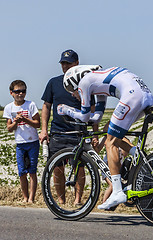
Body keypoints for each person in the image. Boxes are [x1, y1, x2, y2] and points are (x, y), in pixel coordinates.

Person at [57, 65, 153, 209]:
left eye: (71, 90)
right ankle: (135, 153)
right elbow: (97, 117)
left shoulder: (84, 83)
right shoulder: (96, 82)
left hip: (132, 95)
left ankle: (117, 191)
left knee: (110, 143)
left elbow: (84, 117)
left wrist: (67, 110)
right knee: (109, 129)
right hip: (144, 95)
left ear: (75, 82)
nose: (72, 95)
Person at [39, 50, 98, 206]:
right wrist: (44, 130)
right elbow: (46, 106)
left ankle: (78, 200)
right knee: (57, 168)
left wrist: (94, 133)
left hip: (78, 133)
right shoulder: (53, 82)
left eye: (69, 63)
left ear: (76, 63)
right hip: (58, 132)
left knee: (79, 168)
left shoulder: (86, 83)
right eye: (63, 63)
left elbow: (93, 110)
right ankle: (61, 199)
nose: (65, 66)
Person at [3, 80, 40, 203]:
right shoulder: (9, 107)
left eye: (23, 91)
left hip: (32, 142)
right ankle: (25, 197)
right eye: (17, 91)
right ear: (11, 93)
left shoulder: (31, 105)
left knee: (32, 171)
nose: (20, 94)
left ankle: (31, 198)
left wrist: (25, 119)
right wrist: (16, 122)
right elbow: (9, 128)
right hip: (20, 143)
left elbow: (37, 123)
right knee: (22, 172)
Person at [93, 121, 132, 210]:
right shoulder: (106, 139)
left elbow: (126, 152)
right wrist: (95, 146)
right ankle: (105, 204)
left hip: (117, 169)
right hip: (106, 167)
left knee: (115, 186)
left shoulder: (123, 139)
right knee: (112, 186)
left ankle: (109, 205)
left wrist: (122, 144)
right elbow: (97, 150)